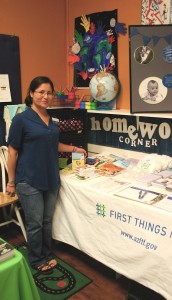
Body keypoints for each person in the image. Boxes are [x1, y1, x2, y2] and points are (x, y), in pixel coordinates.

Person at [6, 76, 86, 273]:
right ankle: (36, 259)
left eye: (49, 92)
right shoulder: (21, 120)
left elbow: (53, 144)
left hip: (51, 178)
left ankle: (46, 254)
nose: (45, 96)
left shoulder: (51, 120)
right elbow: (12, 151)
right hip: (29, 180)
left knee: (46, 221)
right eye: (41, 92)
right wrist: (11, 182)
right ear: (31, 94)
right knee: (34, 224)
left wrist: (74, 148)